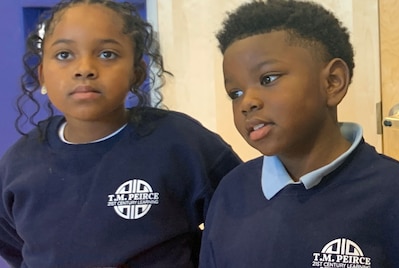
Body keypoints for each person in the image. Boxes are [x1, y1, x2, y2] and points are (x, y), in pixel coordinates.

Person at [0, 0, 242, 267]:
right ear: (42, 75)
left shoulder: (180, 143)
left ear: (137, 74)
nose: (85, 69)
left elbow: (243, 216)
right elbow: (15, 245)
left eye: (107, 54)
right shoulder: (19, 163)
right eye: (65, 55)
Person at [199, 0, 399, 267]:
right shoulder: (231, 192)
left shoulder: (391, 192)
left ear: (332, 82)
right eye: (235, 93)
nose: (247, 102)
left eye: (268, 79)